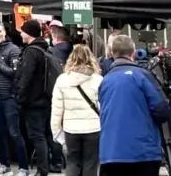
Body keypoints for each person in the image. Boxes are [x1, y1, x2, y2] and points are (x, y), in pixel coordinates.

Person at [98, 35, 169, 176]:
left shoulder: (105, 81)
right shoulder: (143, 76)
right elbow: (161, 110)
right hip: (143, 152)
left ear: (112, 54)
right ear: (133, 53)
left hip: (111, 153)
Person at [51, 44, 102, 176]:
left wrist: (57, 133)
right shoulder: (98, 80)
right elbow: (103, 107)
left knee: (72, 162)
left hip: (71, 129)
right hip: (94, 128)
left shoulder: (62, 80)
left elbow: (56, 110)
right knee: (91, 164)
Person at [0, 23, 28, 176]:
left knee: (14, 133)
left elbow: (14, 73)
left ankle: (24, 167)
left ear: (4, 32)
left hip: (9, 97)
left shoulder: (14, 50)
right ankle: (4, 165)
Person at [17, 19, 55, 176]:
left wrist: (20, 98)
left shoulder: (31, 51)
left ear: (28, 33)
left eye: (22, 31)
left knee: (37, 136)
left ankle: (42, 171)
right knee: (45, 135)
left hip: (33, 102)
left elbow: (26, 77)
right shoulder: (45, 49)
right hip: (45, 99)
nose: (20, 34)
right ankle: (50, 165)